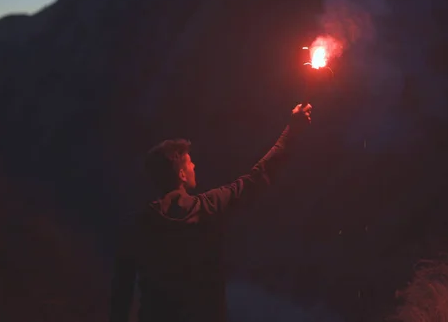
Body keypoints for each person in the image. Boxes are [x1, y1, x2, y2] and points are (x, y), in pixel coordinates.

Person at [109, 103, 313, 322]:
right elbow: (258, 177)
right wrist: (291, 131)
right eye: (190, 162)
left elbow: (121, 291)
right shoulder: (208, 207)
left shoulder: (139, 228)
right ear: (182, 174)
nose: (194, 165)